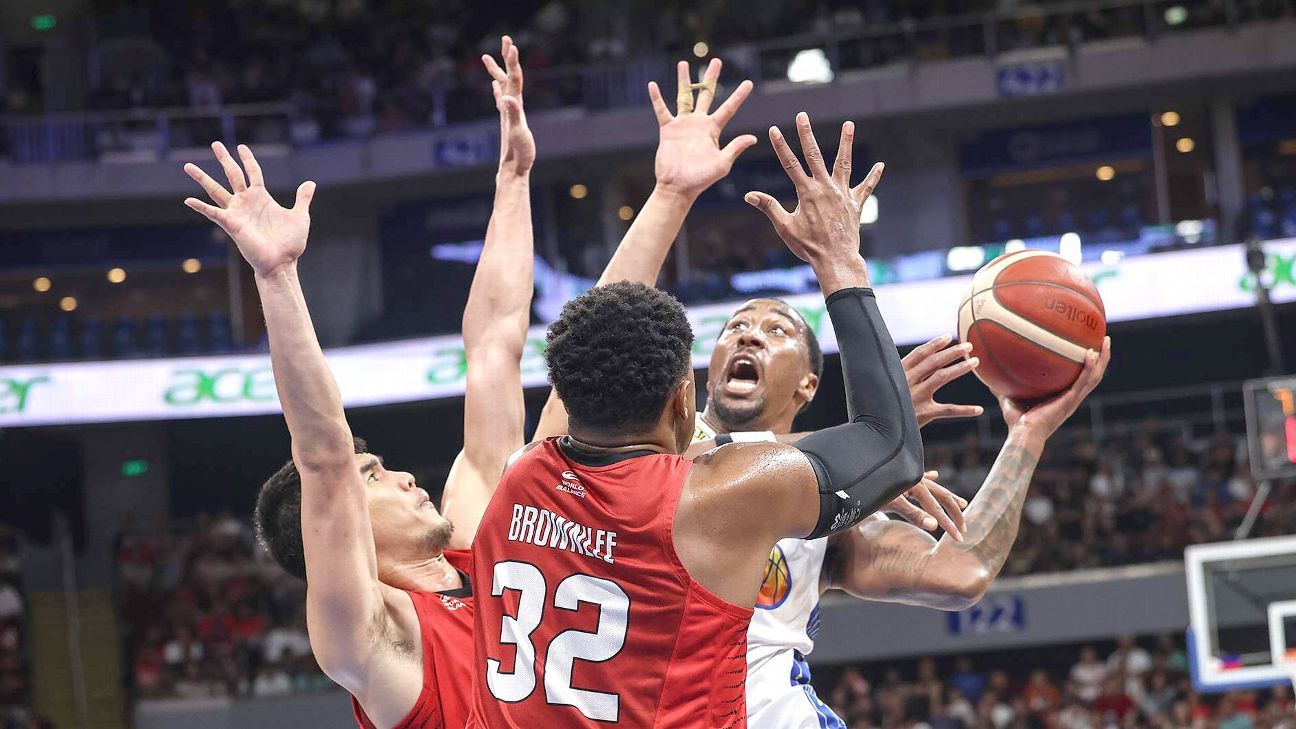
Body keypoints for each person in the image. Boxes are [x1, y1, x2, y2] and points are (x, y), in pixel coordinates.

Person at [470, 111, 926, 726]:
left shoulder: (522, 473)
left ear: (567, 391)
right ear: (684, 400)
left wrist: (670, 193)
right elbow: (891, 446)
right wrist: (840, 258)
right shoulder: (714, 498)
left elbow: (566, 334)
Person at [181, 36, 536, 728]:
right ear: (342, 532)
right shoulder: (375, 640)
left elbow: (495, 345)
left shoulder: (478, 552)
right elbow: (325, 457)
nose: (404, 476)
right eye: (373, 478)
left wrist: (515, 179)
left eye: (382, 469)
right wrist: (276, 277)